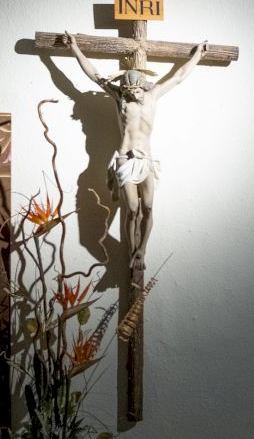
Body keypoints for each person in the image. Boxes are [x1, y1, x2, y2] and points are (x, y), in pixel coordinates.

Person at [65, 32, 208, 275]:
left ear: (144, 85)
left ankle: (142, 249)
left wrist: (197, 56)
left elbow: (178, 77)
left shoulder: (154, 95)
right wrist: (75, 48)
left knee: (148, 206)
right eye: (129, 90)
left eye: (137, 89)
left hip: (146, 160)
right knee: (132, 208)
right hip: (125, 159)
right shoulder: (120, 99)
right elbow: (94, 75)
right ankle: (132, 251)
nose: (133, 93)